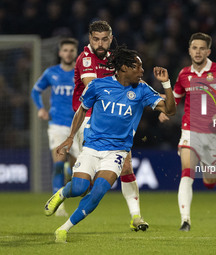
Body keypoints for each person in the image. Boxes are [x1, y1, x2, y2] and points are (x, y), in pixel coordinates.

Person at [44, 45, 176, 243]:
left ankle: (63, 229)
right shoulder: (98, 86)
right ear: (124, 68)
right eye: (138, 67)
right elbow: (81, 111)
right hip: (91, 147)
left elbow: (170, 110)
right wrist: (71, 137)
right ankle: (62, 193)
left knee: (97, 193)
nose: (142, 71)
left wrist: (166, 84)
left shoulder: (141, 89)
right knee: (79, 188)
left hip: (117, 151)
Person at [159, 32, 216, 231]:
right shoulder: (184, 74)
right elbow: (175, 99)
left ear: (208, 51)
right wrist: (165, 110)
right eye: (194, 48)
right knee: (187, 172)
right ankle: (185, 220)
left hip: (214, 134)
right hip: (189, 130)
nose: (198, 51)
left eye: (202, 48)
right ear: (189, 50)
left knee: (210, 181)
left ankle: (209, 176)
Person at [73, 20, 147, 230]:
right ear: (89, 39)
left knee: (126, 165)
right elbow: (93, 87)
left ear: (111, 38)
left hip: (112, 118)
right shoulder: (85, 59)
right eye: (96, 39)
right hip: (88, 119)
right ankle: (66, 196)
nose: (100, 43)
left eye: (105, 39)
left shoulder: (115, 59)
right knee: (84, 183)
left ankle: (136, 217)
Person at [31, 38, 80, 217]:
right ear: (60, 53)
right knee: (58, 164)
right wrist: (41, 108)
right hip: (57, 125)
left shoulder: (80, 74)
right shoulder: (51, 73)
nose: (68, 53)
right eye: (65, 50)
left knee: (77, 169)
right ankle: (58, 204)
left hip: (77, 126)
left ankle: (70, 170)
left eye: (71, 50)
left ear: (76, 53)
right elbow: (35, 91)